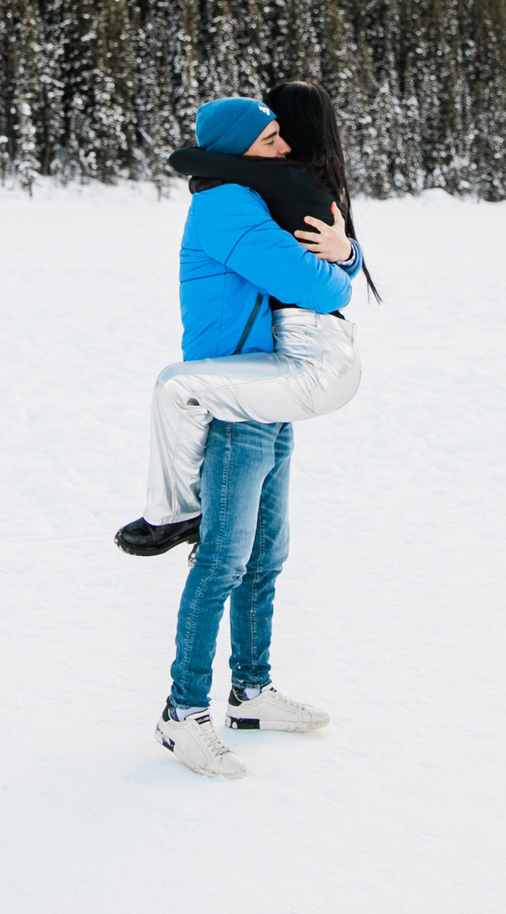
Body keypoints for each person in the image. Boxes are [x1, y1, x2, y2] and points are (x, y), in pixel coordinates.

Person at [124, 86, 371, 779]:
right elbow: (318, 287)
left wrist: (346, 252)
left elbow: (320, 269)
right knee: (223, 562)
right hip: (234, 399)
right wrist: (344, 266)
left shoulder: (245, 195)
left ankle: (252, 692)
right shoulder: (226, 205)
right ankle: (184, 714)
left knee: (266, 555)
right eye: (270, 143)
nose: (286, 148)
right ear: (238, 152)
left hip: (267, 386)